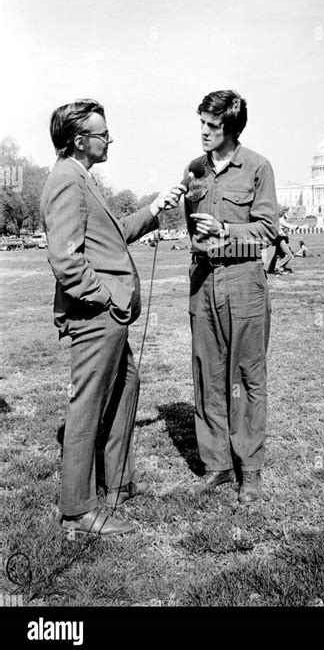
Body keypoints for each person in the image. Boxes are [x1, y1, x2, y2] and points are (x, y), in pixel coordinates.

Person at [41, 99, 184, 536]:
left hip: (107, 315)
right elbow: (66, 261)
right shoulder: (67, 181)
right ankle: (79, 510)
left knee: (128, 385)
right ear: (80, 141)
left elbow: (112, 235)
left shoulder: (82, 178)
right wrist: (104, 298)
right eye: (104, 133)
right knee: (86, 406)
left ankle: (118, 481)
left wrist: (156, 208)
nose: (111, 139)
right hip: (96, 316)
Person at [183, 90, 278, 504]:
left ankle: (250, 470)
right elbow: (191, 227)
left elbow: (268, 230)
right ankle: (217, 464)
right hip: (203, 282)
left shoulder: (258, 167)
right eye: (201, 122)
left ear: (232, 129)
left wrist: (225, 231)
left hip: (243, 282)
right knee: (207, 373)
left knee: (246, 378)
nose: (203, 131)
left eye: (213, 125)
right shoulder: (193, 169)